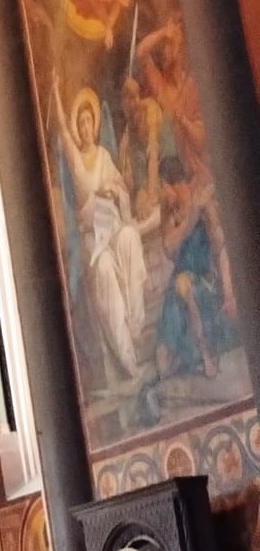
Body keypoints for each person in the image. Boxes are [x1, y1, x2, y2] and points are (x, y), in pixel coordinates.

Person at [53, 85, 147, 386]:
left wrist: (112, 191)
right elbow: (62, 132)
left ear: (95, 124)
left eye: (88, 121)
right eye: (80, 123)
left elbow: (120, 189)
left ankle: (136, 324)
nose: (84, 128)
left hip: (114, 225)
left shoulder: (105, 156)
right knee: (105, 268)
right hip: (93, 239)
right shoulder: (76, 161)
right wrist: (56, 92)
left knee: (131, 237)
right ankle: (127, 358)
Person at [156, 156, 234, 381]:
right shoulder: (169, 210)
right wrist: (190, 219)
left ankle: (206, 355)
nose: (162, 193)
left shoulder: (201, 199)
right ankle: (184, 353)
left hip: (204, 279)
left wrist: (228, 290)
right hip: (179, 282)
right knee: (162, 363)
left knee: (184, 286)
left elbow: (220, 246)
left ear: (167, 183)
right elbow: (169, 250)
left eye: (163, 187)